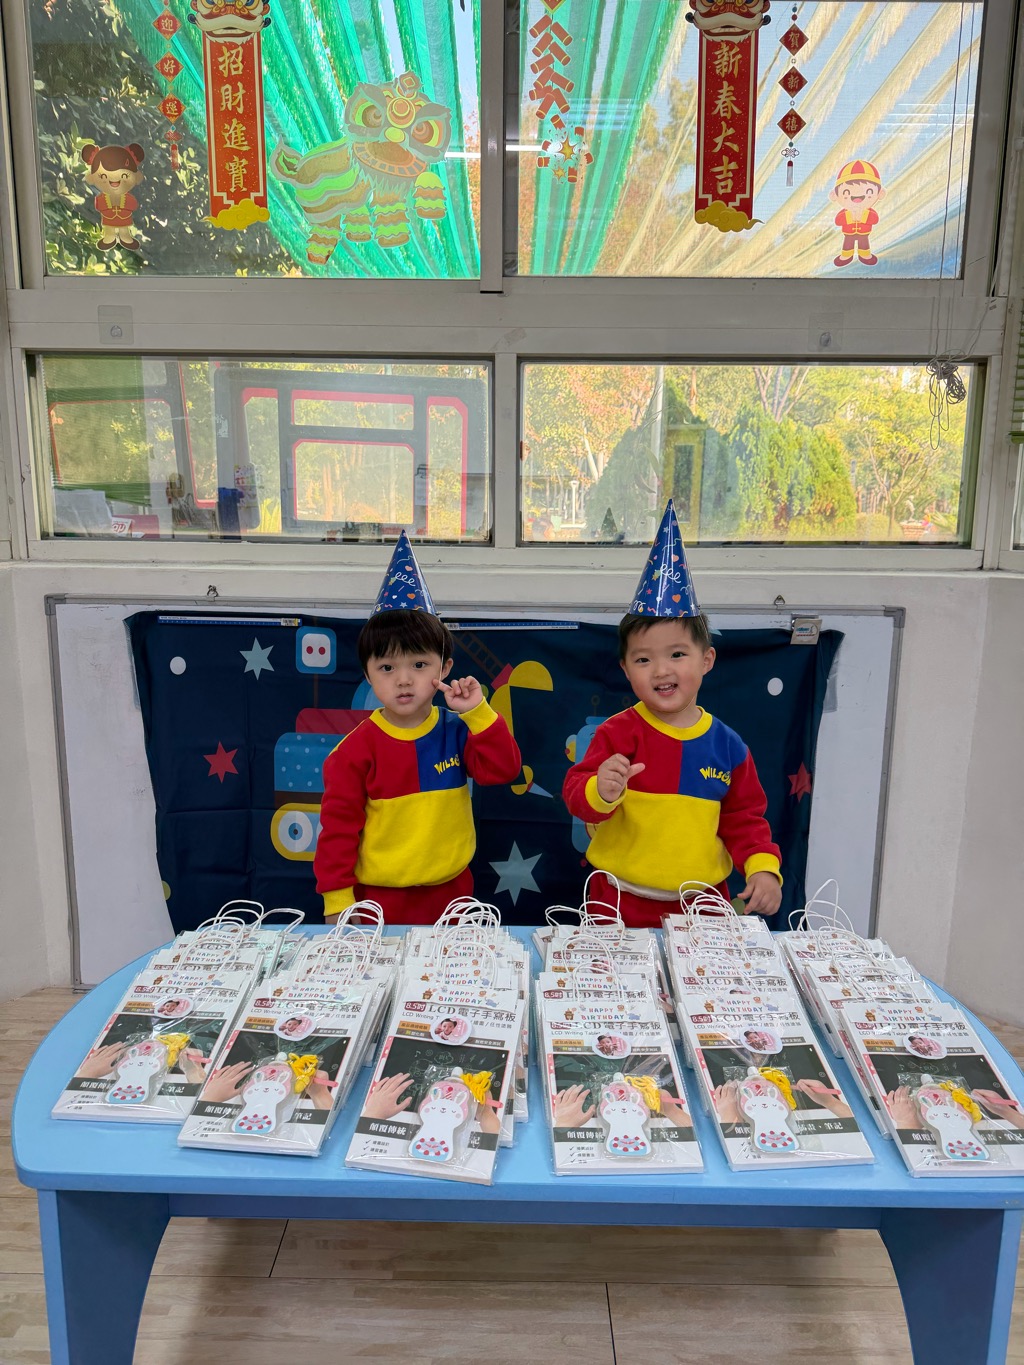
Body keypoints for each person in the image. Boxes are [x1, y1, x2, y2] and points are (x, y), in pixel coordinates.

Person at [562, 501, 782, 929]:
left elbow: (745, 818)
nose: (661, 671)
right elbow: (576, 795)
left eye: (677, 654)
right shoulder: (616, 733)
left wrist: (762, 869)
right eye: (643, 660)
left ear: (707, 660)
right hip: (617, 900)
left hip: (704, 906)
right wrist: (600, 790)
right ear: (626, 670)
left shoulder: (729, 747)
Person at [314, 532, 521, 923]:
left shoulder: (458, 730)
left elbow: (504, 770)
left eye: (419, 665)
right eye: (387, 668)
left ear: (445, 667)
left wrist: (478, 713)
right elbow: (337, 832)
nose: (404, 680)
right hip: (377, 903)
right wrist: (338, 901)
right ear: (368, 675)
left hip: (454, 898)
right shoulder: (353, 752)